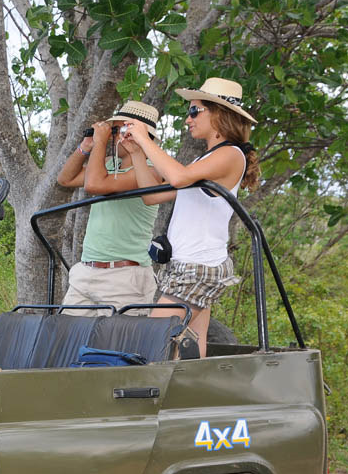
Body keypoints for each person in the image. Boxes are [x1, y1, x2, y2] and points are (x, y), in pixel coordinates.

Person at [122, 77, 260, 357]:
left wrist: (142, 137)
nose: (188, 119)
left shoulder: (232, 154)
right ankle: (191, 396)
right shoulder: (204, 161)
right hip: (187, 266)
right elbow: (152, 196)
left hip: (200, 267)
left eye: (194, 111)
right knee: (193, 347)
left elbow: (178, 176)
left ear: (218, 113)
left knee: (152, 340)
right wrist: (137, 152)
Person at [56, 101, 163, 316]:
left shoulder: (149, 172)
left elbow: (94, 185)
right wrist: (85, 147)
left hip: (123, 276)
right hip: (87, 272)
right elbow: (65, 179)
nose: (113, 136)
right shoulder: (108, 167)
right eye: (113, 131)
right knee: (68, 341)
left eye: (117, 130)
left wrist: (99, 143)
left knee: (117, 346)